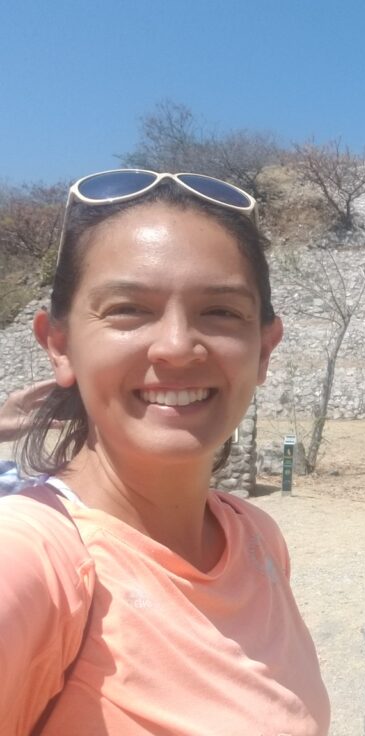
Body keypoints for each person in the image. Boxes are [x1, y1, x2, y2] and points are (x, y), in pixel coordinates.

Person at [0, 170, 330, 735]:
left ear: (264, 350)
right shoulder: (32, 561)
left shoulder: (257, 538)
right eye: (128, 309)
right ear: (59, 344)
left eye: (221, 312)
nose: (177, 347)